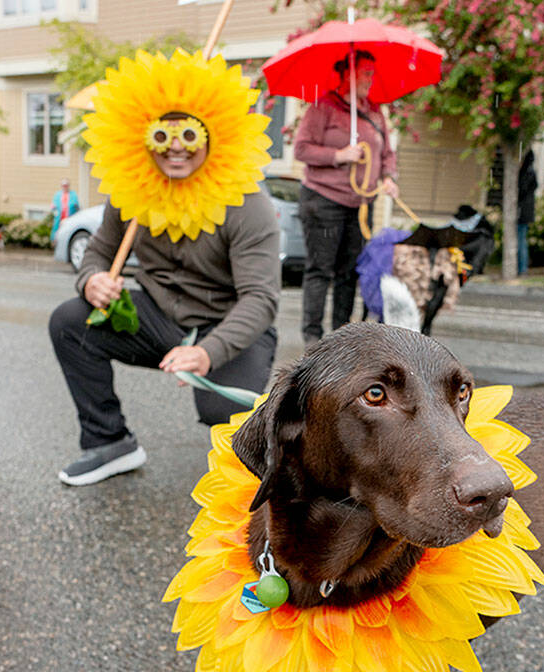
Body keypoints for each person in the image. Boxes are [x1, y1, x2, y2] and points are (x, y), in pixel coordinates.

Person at [48, 49, 277, 486]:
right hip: (159, 318)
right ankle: (110, 443)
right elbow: (98, 252)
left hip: (228, 325)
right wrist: (91, 279)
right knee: (69, 322)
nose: (175, 146)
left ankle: (267, 479)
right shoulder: (130, 195)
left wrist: (209, 353)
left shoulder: (248, 205)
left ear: (212, 138)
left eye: (189, 134)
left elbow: (260, 300)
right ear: (142, 138)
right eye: (162, 135)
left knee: (223, 414)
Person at [294, 51, 398, 346]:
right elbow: (301, 149)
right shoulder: (323, 107)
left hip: (361, 205)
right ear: (348, 73)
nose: (370, 79)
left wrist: (389, 177)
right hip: (323, 199)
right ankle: (312, 338)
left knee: (350, 272)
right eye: (366, 72)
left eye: (372, 73)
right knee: (320, 269)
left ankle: (340, 338)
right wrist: (339, 155)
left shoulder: (375, 112)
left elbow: (387, 153)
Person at [516, 149, 537, 275]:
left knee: (520, 239)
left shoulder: (526, 172)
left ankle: (522, 268)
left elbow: (522, 190)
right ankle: (521, 267)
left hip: (522, 212)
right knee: (522, 238)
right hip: (527, 211)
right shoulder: (532, 172)